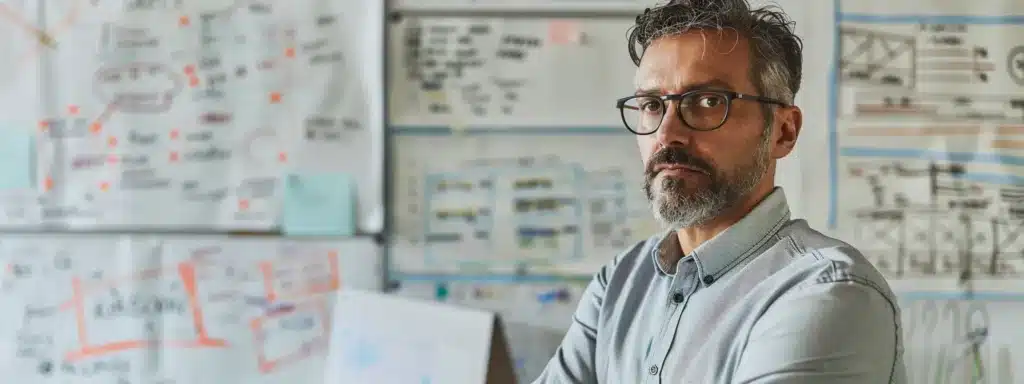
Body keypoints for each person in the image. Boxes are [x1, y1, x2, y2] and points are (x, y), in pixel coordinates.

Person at [532, 0, 906, 383]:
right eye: (651, 104)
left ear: (783, 131)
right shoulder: (621, 281)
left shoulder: (828, 293)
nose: (666, 133)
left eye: (708, 102)